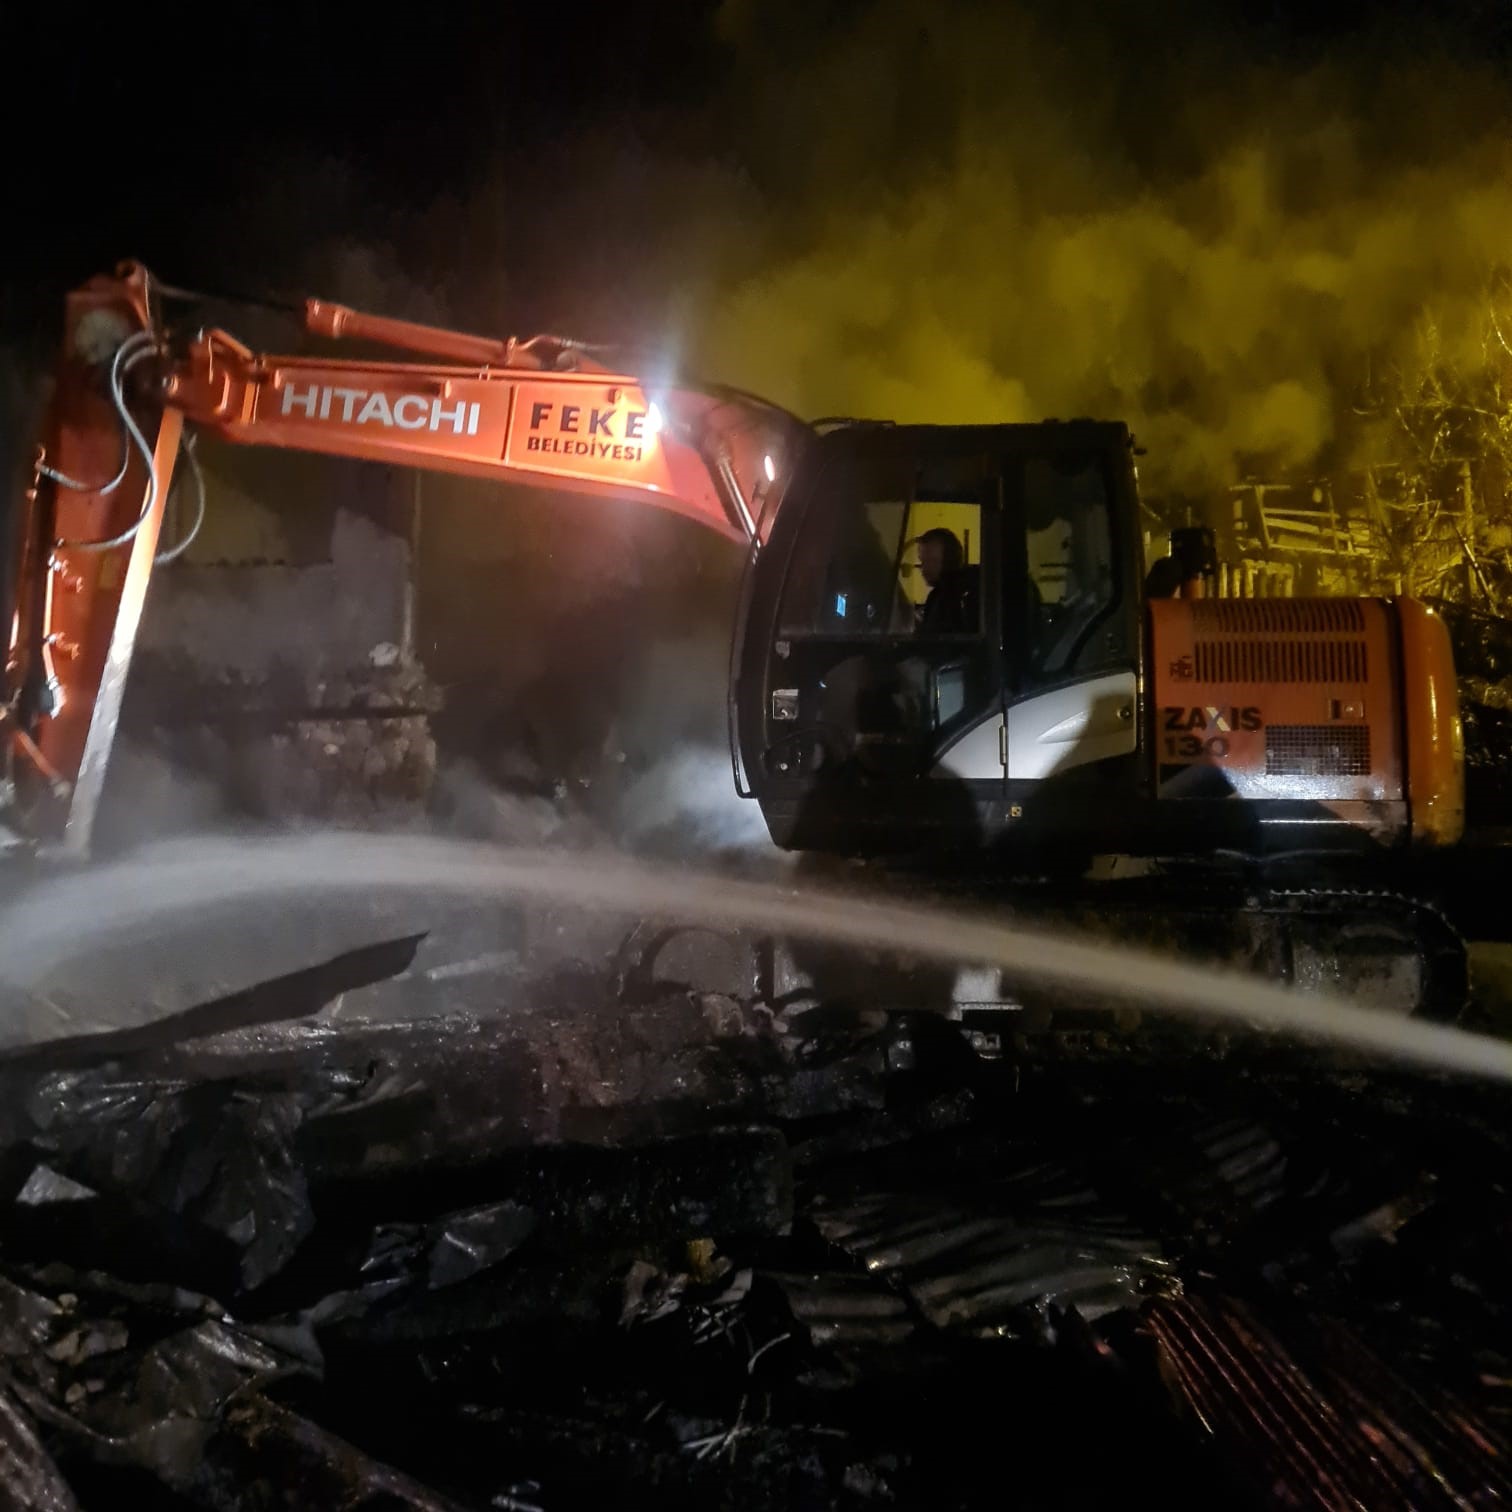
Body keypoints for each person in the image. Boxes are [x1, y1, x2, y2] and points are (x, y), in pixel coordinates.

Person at [915, 528, 978, 633]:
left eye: (932, 560)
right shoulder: (937, 595)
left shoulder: (964, 594)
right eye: (923, 561)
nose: (925, 567)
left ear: (949, 559)